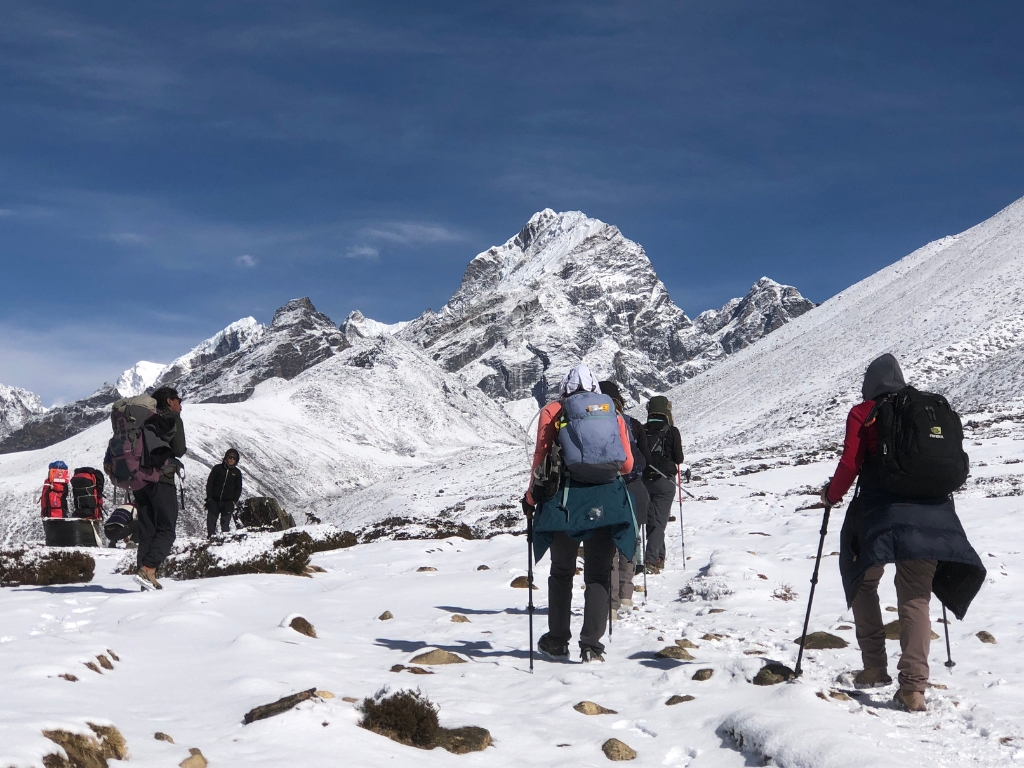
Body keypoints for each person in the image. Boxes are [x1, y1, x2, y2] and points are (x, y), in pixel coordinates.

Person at [823, 354, 985, 712]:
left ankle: (874, 668)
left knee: (863, 580)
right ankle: (913, 688)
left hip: (880, 512)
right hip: (935, 513)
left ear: (871, 383)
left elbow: (850, 463)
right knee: (916, 595)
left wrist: (830, 496)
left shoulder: (864, 412)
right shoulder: (927, 410)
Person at [523, 364, 636, 663]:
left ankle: (558, 640)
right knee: (598, 574)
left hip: (564, 503)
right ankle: (591, 647)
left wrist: (531, 497)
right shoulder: (611, 411)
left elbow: (541, 457)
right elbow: (626, 466)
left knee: (562, 572)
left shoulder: (553, 411)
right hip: (607, 504)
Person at [598, 380, 651, 615]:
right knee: (628, 541)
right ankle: (626, 595)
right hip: (633, 486)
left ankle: (609, 601)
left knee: (607, 546)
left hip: (607, 489)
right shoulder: (633, 424)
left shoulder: (593, 422)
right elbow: (645, 459)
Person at [134, 386, 187, 590]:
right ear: (169, 401)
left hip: (139, 482)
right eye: (178, 399)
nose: (180, 404)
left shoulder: (142, 421)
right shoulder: (172, 419)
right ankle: (148, 567)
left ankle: (145, 577)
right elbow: (180, 449)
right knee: (167, 530)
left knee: (147, 530)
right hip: (162, 479)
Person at [642, 395, 684, 572]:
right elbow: (679, 458)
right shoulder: (672, 430)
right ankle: (652, 560)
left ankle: (659, 557)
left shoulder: (642, 430)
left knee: (652, 520)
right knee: (659, 521)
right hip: (665, 481)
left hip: (644, 480)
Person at [205, 448, 243, 537]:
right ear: (226, 457)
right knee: (211, 523)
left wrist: (234, 501)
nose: (231, 460)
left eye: (234, 458)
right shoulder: (217, 468)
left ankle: (225, 543)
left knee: (225, 525)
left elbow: (238, 488)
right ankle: (210, 539)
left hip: (228, 503)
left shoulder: (237, 473)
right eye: (230, 457)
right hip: (214, 501)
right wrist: (209, 498)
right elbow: (210, 483)